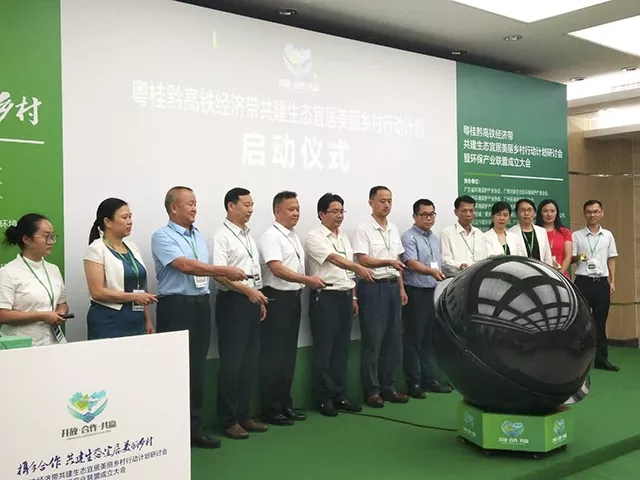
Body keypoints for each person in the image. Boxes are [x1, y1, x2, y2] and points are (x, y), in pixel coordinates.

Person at [151, 186, 247, 450]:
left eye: (195, 203)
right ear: (173, 207)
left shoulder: (199, 236)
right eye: (189, 203)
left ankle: (195, 429)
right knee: (175, 369)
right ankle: (173, 432)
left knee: (197, 369)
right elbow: (185, 265)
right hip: (176, 307)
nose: (195, 208)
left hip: (201, 305)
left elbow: (202, 271)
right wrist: (222, 269)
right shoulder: (162, 236)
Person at [258, 191, 326, 426]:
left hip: (293, 298)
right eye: (291, 209)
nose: (296, 213)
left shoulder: (293, 236)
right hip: (276, 299)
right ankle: (271, 409)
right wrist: (308, 280)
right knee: (274, 356)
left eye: (298, 209)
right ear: (277, 211)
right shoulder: (271, 236)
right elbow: (277, 269)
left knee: (288, 356)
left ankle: (285, 405)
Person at [304, 193, 374, 417]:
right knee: (324, 350)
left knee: (341, 350)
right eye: (334, 211)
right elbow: (334, 259)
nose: (339, 215)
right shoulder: (314, 237)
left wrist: (353, 297)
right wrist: (359, 268)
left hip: (344, 296)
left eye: (342, 211)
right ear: (321, 214)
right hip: (325, 297)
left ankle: (339, 395)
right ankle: (324, 398)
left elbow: (346, 272)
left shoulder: (343, 236)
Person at [211, 187, 269, 440]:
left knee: (249, 362)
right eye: (246, 205)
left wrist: (258, 298)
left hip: (251, 301)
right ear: (230, 206)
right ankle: (228, 420)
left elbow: (253, 272)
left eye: (252, 205)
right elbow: (219, 274)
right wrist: (247, 291)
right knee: (232, 364)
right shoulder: (221, 237)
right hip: (232, 302)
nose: (250, 210)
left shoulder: (247, 235)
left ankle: (244, 415)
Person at [353, 186, 409, 408]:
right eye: (382, 201)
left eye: (389, 201)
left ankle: (389, 387)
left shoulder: (393, 229)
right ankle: (372, 391)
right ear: (371, 202)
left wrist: (401, 288)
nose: (386, 205)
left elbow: (398, 263)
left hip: (393, 287)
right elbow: (363, 259)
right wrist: (388, 262)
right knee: (373, 342)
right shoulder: (363, 228)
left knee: (393, 341)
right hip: (373, 287)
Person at [400, 199, 452, 398]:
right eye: (424, 215)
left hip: (433, 291)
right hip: (416, 292)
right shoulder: (409, 237)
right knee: (414, 339)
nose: (429, 218)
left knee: (429, 338)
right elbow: (410, 263)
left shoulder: (434, 238)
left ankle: (429, 380)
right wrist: (431, 272)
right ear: (415, 216)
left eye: (432, 214)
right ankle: (413, 383)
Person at [84, 198, 156, 339]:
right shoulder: (96, 249)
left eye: (130, 217)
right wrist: (134, 297)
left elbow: (141, 288)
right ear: (107, 222)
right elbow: (97, 292)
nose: (129, 222)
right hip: (109, 319)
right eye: (124, 217)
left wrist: (148, 320)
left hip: (136, 318)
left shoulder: (132, 247)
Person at [0, 214, 69, 346]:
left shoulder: (53, 269)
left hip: (54, 342)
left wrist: (60, 312)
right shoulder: (8, 272)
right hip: (22, 344)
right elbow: (2, 315)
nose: (51, 241)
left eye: (52, 236)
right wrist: (42, 316)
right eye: (46, 236)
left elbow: (62, 303)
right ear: (26, 239)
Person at [572, 200, 618, 371]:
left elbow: (611, 259)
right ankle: (578, 361)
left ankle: (601, 359)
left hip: (601, 283)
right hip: (583, 282)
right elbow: (571, 258)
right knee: (580, 322)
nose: (592, 215)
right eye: (589, 212)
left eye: (596, 211)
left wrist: (612, 281)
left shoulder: (608, 235)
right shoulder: (577, 235)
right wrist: (579, 257)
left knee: (600, 322)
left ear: (601, 213)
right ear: (584, 214)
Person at [440, 195, 489, 277]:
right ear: (456, 212)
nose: (468, 214)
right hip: (457, 279)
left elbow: (484, 258)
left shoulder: (479, 234)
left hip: (478, 277)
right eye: (464, 211)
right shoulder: (447, 233)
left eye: (471, 210)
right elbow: (445, 261)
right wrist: (460, 265)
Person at [508, 199, 553, 266]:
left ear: (534, 213)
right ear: (517, 213)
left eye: (529, 210)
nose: (526, 213)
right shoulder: (510, 233)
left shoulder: (542, 231)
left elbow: (547, 257)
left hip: (540, 270)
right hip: (520, 270)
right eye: (522, 210)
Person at [536, 199, 572, 277]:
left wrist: (560, 274)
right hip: (540, 275)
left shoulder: (564, 232)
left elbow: (568, 256)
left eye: (552, 211)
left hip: (561, 275)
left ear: (557, 213)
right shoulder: (535, 231)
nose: (549, 214)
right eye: (545, 211)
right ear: (540, 213)